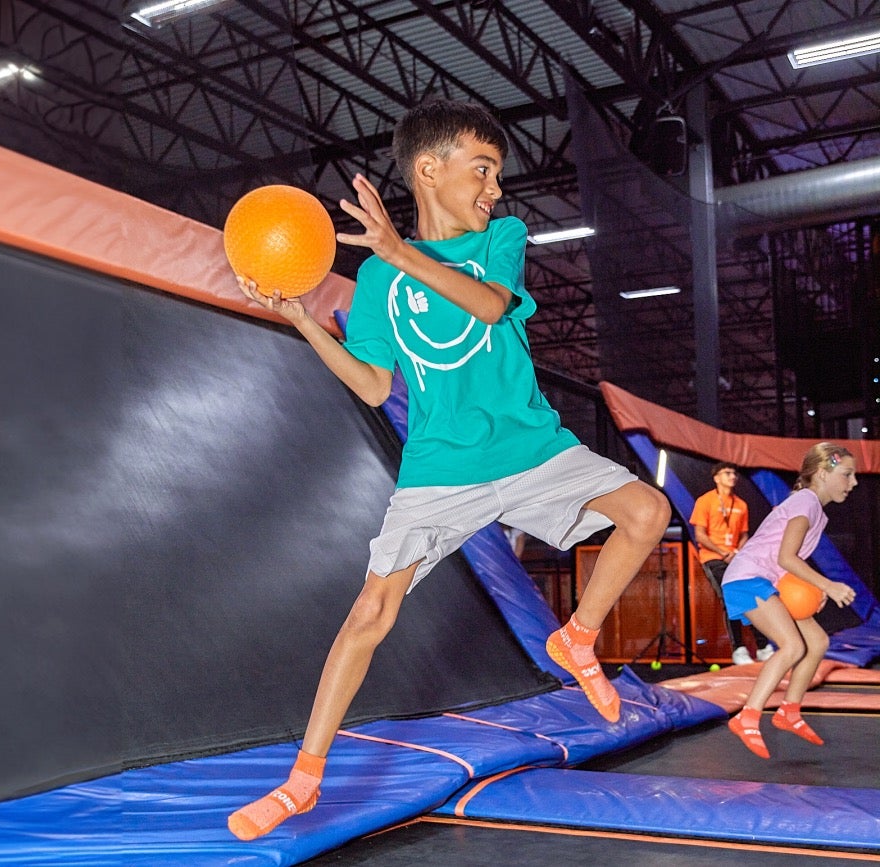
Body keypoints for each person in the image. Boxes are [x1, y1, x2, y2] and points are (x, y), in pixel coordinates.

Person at [226, 99, 670, 841]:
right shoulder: (378, 282)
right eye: (483, 169)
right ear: (430, 169)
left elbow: (494, 307)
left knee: (648, 512)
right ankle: (302, 781)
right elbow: (372, 384)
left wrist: (401, 250)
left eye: (496, 174)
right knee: (369, 614)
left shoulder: (501, 237)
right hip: (440, 470)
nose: (494, 188)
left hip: (533, 449)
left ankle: (579, 637)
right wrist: (306, 319)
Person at [722, 442, 858, 759]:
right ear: (823, 473)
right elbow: (786, 557)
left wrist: (816, 589)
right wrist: (829, 584)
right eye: (847, 475)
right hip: (747, 579)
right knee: (793, 646)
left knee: (817, 641)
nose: (852, 483)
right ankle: (748, 716)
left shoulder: (813, 510)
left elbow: (785, 559)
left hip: (767, 578)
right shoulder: (807, 501)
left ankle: (789, 711)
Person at [689, 462, 773, 664]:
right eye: (727, 473)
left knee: (751, 597)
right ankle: (739, 650)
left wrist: (737, 552)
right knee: (730, 599)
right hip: (714, 558)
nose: (732, 476)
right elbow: (700, 535)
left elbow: (744, 535)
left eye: (734, 473)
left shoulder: (741, 504)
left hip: (737, 557)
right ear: (716, 478)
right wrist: (722, 552)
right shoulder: (705, 501)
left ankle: (762, 647)